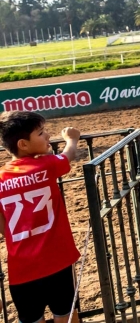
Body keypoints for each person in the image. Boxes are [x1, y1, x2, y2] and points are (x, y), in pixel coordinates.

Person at [0, 111, 82, 323]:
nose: (47, 136)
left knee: (31, 318)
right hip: (57, 259)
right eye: (41, 133)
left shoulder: (1, 178)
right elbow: (68, 155)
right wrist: (71, 139)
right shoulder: (46, 165)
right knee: (66, 314)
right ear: (23, 144)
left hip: (21, 266)